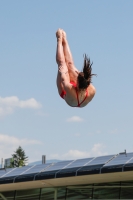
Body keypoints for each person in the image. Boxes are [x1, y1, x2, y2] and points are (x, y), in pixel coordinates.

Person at [56, 29, 96, 108]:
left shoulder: (69, 88)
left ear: (76, 83)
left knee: (62, 64)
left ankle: (60, 39)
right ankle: (65, 39)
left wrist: (63, 72)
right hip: (79, 92)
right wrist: (80, 74)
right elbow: (85, 79)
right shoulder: (92, 89)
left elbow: (63, 76)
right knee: (70, 64)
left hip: (68, 95)